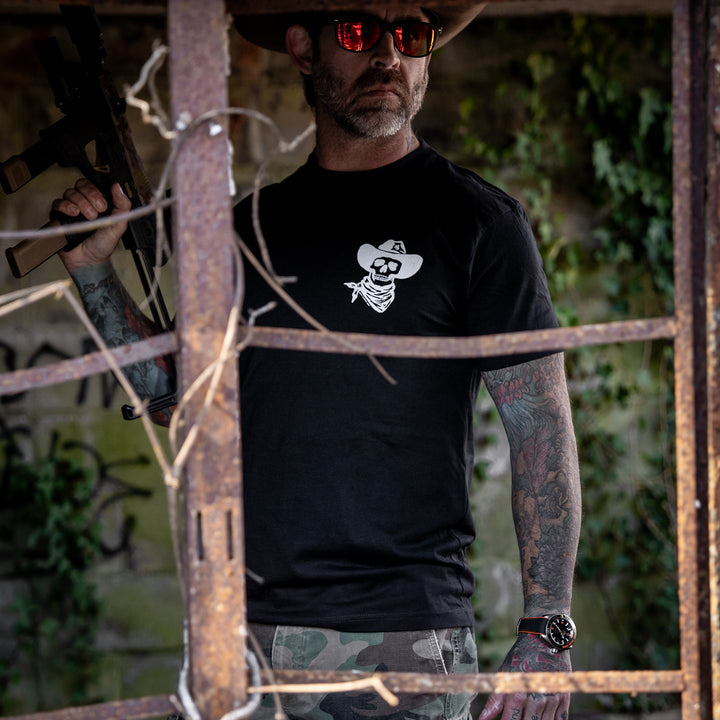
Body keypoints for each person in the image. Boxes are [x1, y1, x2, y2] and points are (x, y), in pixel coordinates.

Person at [53, 3, 581, 719]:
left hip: (403, 641)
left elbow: (541, 426)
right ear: (304, 50)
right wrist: (92, 269)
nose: (389, 56)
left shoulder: (476, 222)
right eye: (360, 32)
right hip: (240, 637)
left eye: (412, 35)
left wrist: (546, 627)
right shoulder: (245, 230)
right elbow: (175, 395)